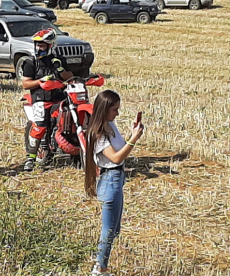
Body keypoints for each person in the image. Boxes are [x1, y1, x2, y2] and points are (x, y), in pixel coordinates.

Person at [84, 90, 144, 276]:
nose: (117, 113)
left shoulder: (110, 126)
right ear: (104, 110)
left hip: (116, 179)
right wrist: (134, 139)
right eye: (114, 110)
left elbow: (119, 149)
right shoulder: (99, 134)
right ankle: (100, 269)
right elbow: (116, 158)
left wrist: (131, 134)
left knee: (114, 229)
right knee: (108, 231)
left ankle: (100, 266)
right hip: (110, 180)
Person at [21, 28, 73, 171]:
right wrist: (40, 81)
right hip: (40, 98)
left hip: (60, 98)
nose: (38, 48)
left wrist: (61, 70)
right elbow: (25, 84)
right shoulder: (30, 62)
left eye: (42, 45)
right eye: (37, 45)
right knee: (40, 125)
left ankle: (75, 153)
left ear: (51, 46)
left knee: (70, 120)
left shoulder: (59, 60)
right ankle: (30, 158)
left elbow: (70, 77)